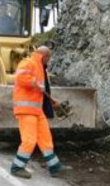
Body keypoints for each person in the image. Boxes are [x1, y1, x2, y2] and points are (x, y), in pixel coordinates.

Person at [10, 46, 67, 179]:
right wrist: (34, 82)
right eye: (48, 59)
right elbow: (19, 78)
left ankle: (54, 166)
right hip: (26, 110)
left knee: (45, 138)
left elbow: (42, 89)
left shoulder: (40, 67)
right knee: (29, 140)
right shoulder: (28, 62)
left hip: (37, 110)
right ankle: (17, 167)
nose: (48, 62)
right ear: (44, 56)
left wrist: (51, 101)